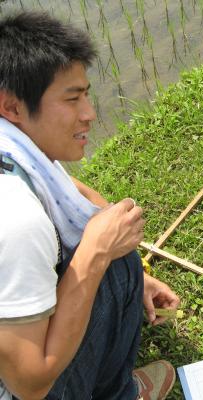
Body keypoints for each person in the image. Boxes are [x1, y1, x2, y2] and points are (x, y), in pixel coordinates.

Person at [0, 11, 179, 400]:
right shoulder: (17, 220)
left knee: (115, 250)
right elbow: (28, 385)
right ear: (12, 107)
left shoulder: (13, 147)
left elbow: (71, 187)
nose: (90, 113)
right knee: (113, 258)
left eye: (86, 93)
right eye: (72, 98)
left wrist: (133, 281)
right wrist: (96, 253)